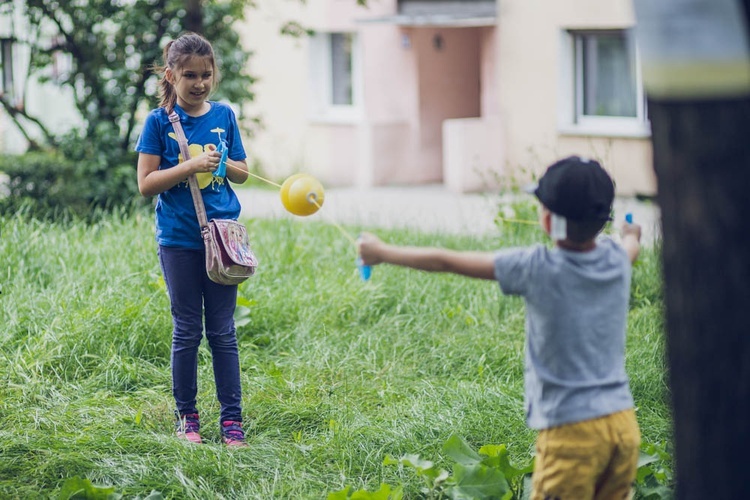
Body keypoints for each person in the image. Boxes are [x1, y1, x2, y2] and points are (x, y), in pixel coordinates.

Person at [358, 156, 643, 499]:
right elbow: (632, 247)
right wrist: (630, 233)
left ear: (549, 220)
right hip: (623, 426)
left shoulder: (537, 268)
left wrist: (381, 251)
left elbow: (444, 261)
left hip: (572, 434)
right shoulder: (616, 260)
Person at [135, 33, 250, 447]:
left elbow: (241, 170)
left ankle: (232, 421)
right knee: (187, 330)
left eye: (206, 74)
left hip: (224, 241)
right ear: (171, 75)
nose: (199, 83)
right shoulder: (158, 122)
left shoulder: (225, 115)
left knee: (223, 331)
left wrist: (227, 165)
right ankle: (188, 418)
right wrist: (191, 165)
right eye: (189, 75)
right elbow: (146, 184)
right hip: (179, 242)